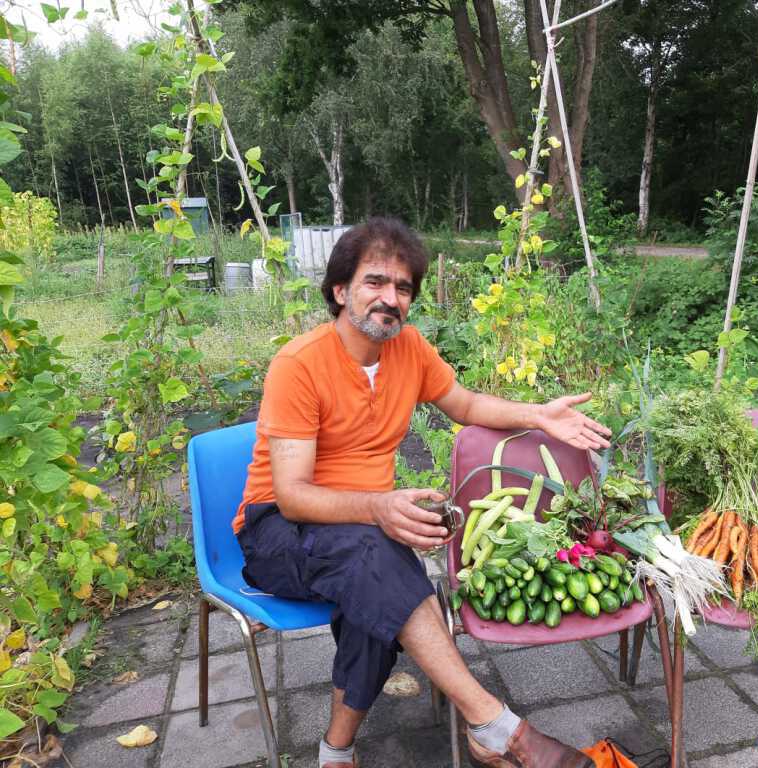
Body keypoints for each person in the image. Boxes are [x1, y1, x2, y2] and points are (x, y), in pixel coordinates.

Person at [234, 217, 611, 768]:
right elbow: (291, 496)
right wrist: (377, 507)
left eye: (404, 288)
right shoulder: (299, 365)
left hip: (360, 535)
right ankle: (496, 725)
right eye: (375, 282)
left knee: (374, 584)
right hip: (277, 531)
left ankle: (336, 752)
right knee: (377, 561)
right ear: (340, 291)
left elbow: (463, 404)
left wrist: (538, 415)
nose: (391, 298)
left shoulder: (408, 349)